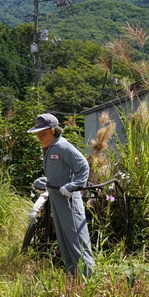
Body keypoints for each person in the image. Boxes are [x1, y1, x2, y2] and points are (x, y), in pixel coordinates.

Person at [27, 113, 94, 277]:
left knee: (76, 237)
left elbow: (83, 167)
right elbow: (58, 173)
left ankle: (87, 277)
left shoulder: (63, 146)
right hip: (56, 199)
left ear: (53, 130)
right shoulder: (49, 148)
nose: (40, 138)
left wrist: (72, 186)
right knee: (64, 239)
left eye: (43, 134)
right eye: (38, 134)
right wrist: (44, 181)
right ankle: (74, 274)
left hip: (68, 200)